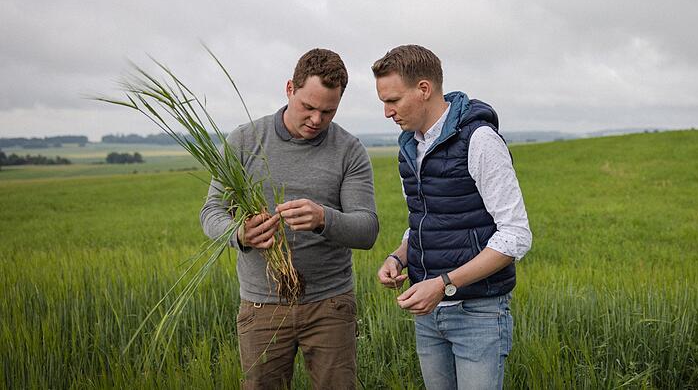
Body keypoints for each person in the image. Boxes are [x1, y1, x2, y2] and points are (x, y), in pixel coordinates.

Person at [200, 48, 378, 390]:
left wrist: (323, 218)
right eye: (308, 107)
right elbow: (211, 213)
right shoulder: (243, 141)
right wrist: (241, 234)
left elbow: (367, 229)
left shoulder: (349, 149)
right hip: (261, 304)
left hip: (330, 304)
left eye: (328, 111)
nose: (316, 119)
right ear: (289, 89)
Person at [372, 45, 532, 390]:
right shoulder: (409, 147)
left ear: (424, 89)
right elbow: (426, 220)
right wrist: (398, 256)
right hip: (428, 314)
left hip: (479, 314)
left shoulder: (479, 140)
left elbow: (516, 235)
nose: (387, 112)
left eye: (393, 100)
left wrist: (444, 283)